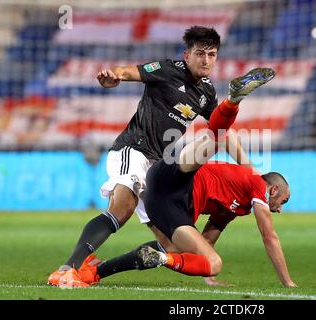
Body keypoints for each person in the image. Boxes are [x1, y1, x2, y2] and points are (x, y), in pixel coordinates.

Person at [47, 26, 255, 286]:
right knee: (121, 208)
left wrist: (247, 168)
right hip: (133, 150)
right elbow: (129, 72)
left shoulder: (207, 92)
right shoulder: (167, 70)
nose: (206, 60)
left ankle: (95, 271)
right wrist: (114, 77)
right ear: (186, 54)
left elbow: (223, 130)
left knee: (174, 247)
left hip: (156, 168)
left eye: (211, 54)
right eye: (200, 53)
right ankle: (67, 268)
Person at [60, 67, 297, 288]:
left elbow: (207, 239)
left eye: (212, 55)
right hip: (172, 176)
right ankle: (233, 100)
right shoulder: (257, 184)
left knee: (194, 256)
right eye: (283, 202)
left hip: (168, 206)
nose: (280, 209)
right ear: (273, 190)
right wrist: (288, 283)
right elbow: (270, 237)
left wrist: (209, 276)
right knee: (213, 141)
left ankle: (98, 271)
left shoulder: (238, 206)